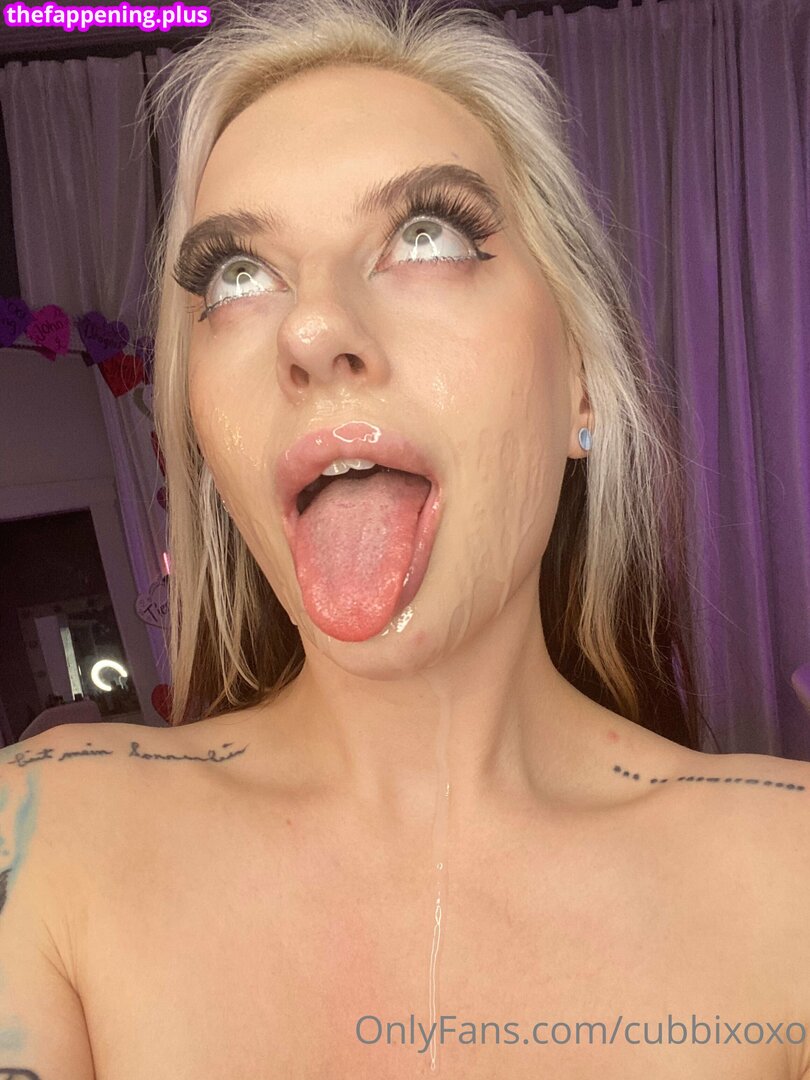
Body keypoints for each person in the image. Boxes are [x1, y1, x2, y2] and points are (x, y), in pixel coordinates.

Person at [2, 0, 809, 1075]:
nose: (311, 328)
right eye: (237, 274)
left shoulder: (787, 880)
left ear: (580, 378)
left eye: (427, 235)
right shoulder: (42, 846)